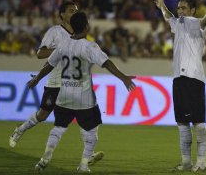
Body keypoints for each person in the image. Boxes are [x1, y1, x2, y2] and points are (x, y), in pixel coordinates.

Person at [27, 12, 136, 173]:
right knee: (92, 131)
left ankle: (44, 159)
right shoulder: (89, 46)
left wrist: (37, 79)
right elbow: (106, 63)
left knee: (59, 127)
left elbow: (49, 65)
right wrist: (123, 77)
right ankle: (84, 165)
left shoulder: (62, 44)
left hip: (64, 96)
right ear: (86, 27)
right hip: (83, 98)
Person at [9, 2, 104, 164]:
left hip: (76, 85)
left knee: (85, 119)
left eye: (76, 10)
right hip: (55, 82)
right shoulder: (54, 31)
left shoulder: (80, 32)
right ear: (61, 14)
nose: (74, 13)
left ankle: (89, 154)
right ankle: (20, 129)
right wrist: (62, 49)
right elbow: (40, 54)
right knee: (42, 115)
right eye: (70, 10)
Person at [154, 0, 206, 173]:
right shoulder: (177, 23)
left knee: (198, 123)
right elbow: (168, 17)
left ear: (192, 10)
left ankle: (201, 162)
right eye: (179, 8)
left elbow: (205, 20)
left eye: (184, 8)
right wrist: (162, 6)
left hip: (194, 78)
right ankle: (185, 161)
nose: (180, 11)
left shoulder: (195, 22)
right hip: (178, 78)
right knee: (182, 123)